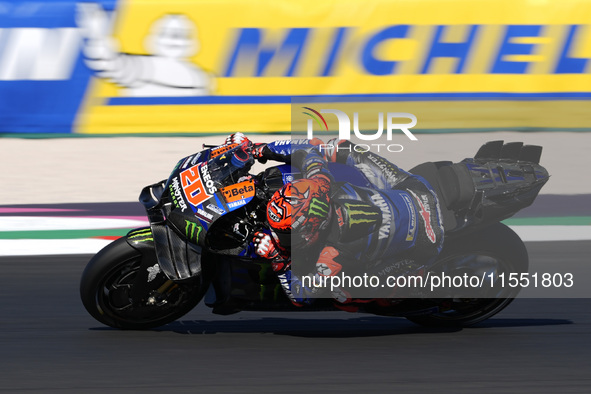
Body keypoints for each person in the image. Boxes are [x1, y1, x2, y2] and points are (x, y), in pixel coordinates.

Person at [224, 133, 444, 308]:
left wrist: (278, 259)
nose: (277, 236)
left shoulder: (330, 257)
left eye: (286, 233)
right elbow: (309, 148)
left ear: (312, 230)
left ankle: (409, 287)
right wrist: (258, 149)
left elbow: (302, 296)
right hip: (416, 191)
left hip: (428, 239)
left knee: (343, 295)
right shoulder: (320, 183)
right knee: (336, 146)